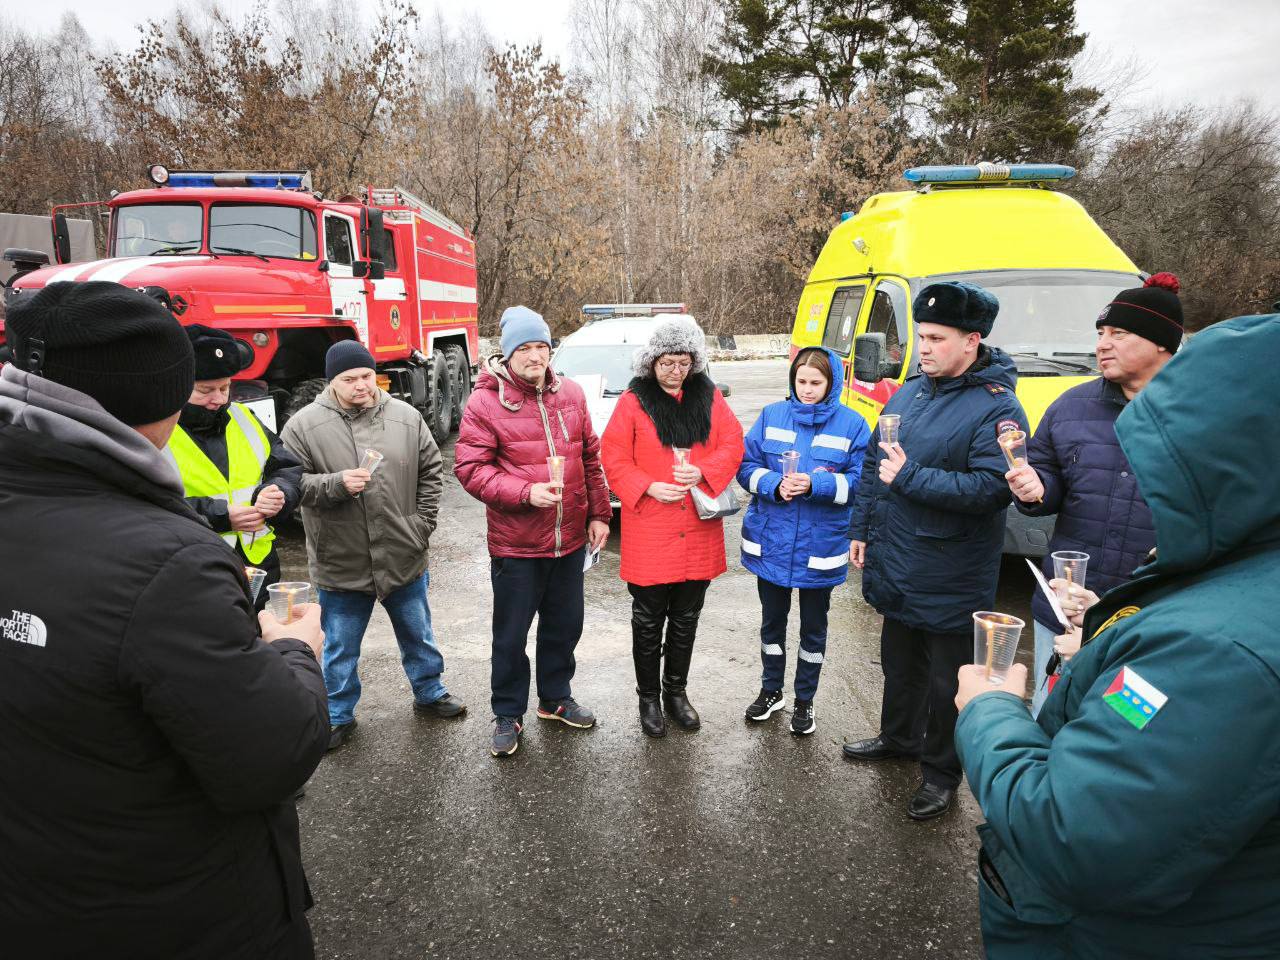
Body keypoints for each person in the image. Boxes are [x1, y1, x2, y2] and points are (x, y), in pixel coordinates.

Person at [0, 281, 329, 959]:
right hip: (180, 915)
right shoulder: (166, 565)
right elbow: (272, 758)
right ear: (157, 402)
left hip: (38, 897)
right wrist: (294, 651)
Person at [954, 311, 1280, 958]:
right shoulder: (1237, 582)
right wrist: (1110, 632)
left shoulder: (1208, 655)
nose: (1102, 344)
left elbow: (1072, 831)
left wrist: (989, 708)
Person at [842, 281, 1027, 821]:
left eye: (936, 338)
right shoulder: (910, 391)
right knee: (900, 665)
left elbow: (994, 490)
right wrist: (861, 530)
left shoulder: (998, 408)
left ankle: (942, 775)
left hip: (952, 568)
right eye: (920, 336)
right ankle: (899, 738)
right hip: (898, 557)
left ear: (972, 341)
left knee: (950, 681)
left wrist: (913, 477)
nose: (922, 348)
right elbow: (877, 468)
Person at [1006, 274, 1181, 714]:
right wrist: (1034, 489)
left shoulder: (1199, 414)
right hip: (1065, 606)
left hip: (1148, 618)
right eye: (1100, 334)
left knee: (1127, 722)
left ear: (1163, 342)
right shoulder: (1071, 406)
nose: (1103, 344)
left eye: (1118, 334)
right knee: (1051, 715)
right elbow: (1047, 477)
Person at [281, 339, 464, 751]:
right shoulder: (304, 426)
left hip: (403, 552)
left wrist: (421, 525)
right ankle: (339, 714)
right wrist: (335, 483)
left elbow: (432, 472)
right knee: (341, 647)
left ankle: (429, 691)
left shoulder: (405, 416)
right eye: (350, 379)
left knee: (418, 634)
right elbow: (288, 486)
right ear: (332, 382)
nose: (362, 385)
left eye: (367, 376)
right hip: (341, 558)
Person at [454, 306, 611, 757]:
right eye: (524, 348)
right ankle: (507, 713)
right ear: (507, 354)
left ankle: (556, 699)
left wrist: (600, 515)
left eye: (542, 346)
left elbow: (590, 460)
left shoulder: (573, 395)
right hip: (517, 544)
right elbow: (469, 469)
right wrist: (526, 493)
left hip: (569, 541)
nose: (535, 355)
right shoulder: (485, 401)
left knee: (564, 626)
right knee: (510, 634)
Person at [600, 315, 744, 738]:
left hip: (697, 528)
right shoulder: (633, 401)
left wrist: (702, 472)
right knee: (648, 619)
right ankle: (648, 699)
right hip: (651, 528)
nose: (675, 370)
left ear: (693, 362)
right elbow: (613, 457)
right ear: (652, 362)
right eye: (667, 361)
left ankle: (676, 693)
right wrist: (647, 486)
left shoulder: (709, 396)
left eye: (683, 361)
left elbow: (733, 443)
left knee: (686, 617)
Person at [737, 346, 870, 734]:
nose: (807, 390)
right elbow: (746, 467)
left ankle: (805, 701)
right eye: (801, 382)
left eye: (816, 383)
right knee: (771, 623)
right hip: (773, 541)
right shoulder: (771, 416)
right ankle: (771, 690)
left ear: (832, 384)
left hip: (820, 546)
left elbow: (863, 481)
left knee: (814, 628)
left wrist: (818, 483)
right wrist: (775, 484)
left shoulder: (854, 424)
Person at [165, 324, 302, 611]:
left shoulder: (243, 417)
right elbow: (147, 503)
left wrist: (278, 493)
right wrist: (221, 516)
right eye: (204, 390)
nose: (218, 398)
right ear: (176, 384)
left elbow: (286, 467)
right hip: (193, 565)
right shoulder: (158, 430)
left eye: (225, 387)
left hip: (258, 562)